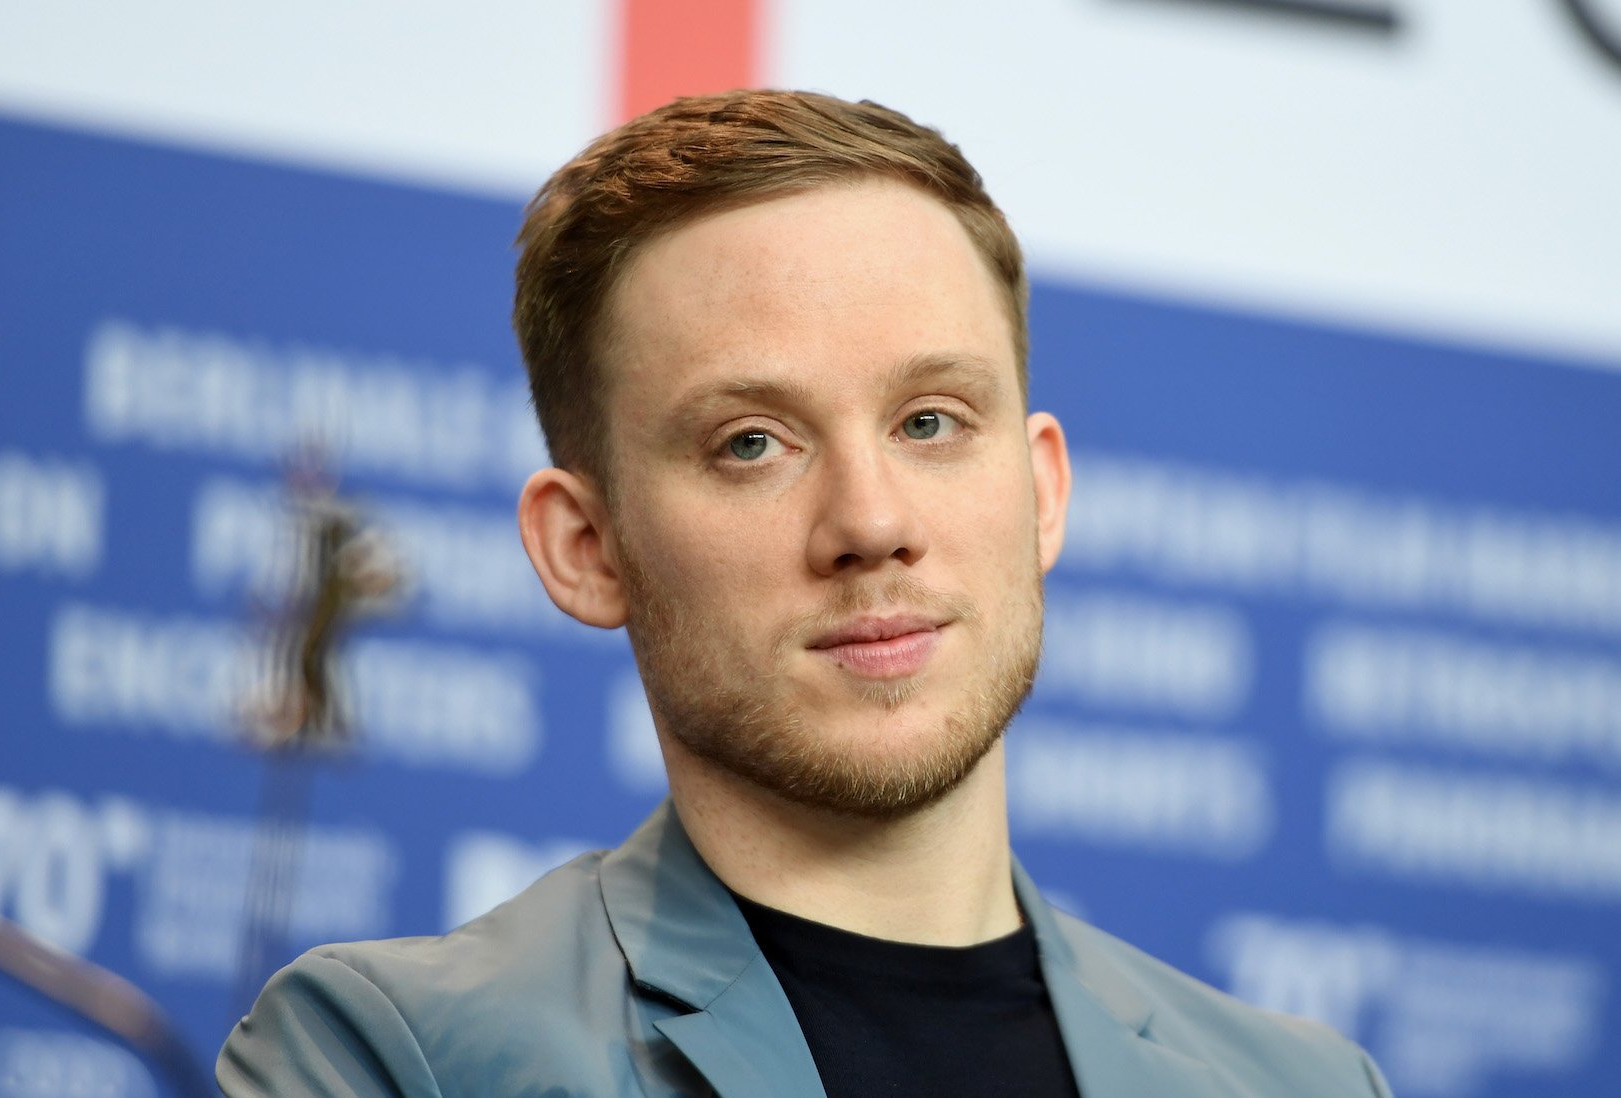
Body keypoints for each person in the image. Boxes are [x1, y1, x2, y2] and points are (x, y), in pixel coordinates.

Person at [218, 89, 1393, 1097]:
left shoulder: (1300, 1085)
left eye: (929, 421)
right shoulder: (396, 1057)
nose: (870, 525)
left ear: (1040, 492)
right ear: (585, 546)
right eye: (750, 445)